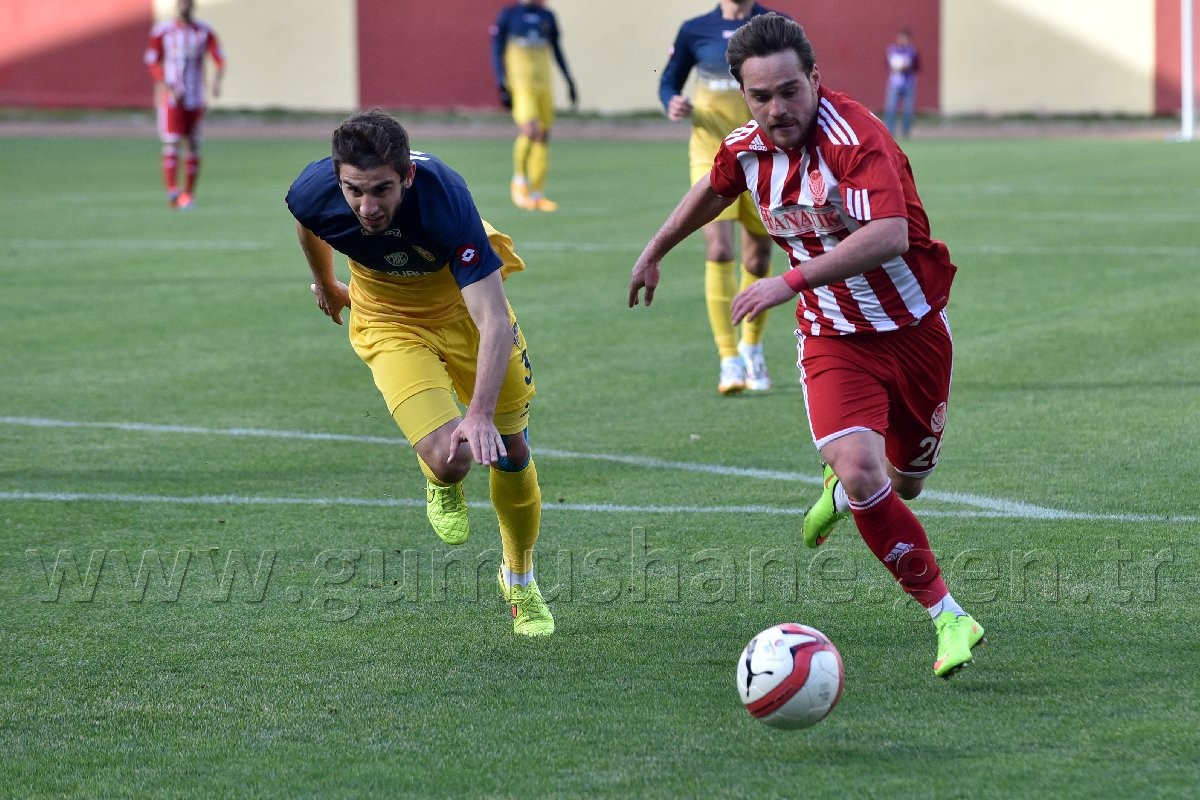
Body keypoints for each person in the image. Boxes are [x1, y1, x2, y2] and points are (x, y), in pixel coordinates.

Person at [629, 14, 985, 678]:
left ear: (815, 79)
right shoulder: (748, 146)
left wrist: (784, 281)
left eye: (789, 91)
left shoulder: (857, 138)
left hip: (913, 333)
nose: (777, 108)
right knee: (862, 468)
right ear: (743, 93)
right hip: (831, 336)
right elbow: (713, 187)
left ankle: (848, 490)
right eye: (760, 96)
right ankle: (949, 616)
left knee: (906, 482)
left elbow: (888, 235)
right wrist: (654, 251)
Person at [285, 110, 553, 637]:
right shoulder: (315, 191)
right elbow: (308, 223)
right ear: (337, 177)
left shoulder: (446, 203)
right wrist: (328, 283)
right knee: (452, 461)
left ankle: (519, 582)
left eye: (381, 189)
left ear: (406, 176)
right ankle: (440, 483)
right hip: (388, 321)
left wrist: (477, 413)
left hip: (464, 314)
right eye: (354, 190)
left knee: (510, 447)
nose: (367, 206)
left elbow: (493, 319)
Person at [658, 1, 780, 395]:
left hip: (763, 153)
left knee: (757, 256)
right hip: (711, 153)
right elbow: (669, 81)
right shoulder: (695, 29)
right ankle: (728, 358)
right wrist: (671, 102)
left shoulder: (775, 25)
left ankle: (752, 346)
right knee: (719, 249)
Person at [490, 0, 577, 212]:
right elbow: (496, 50)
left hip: (543, 85)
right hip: (521, 85)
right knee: (529, 130)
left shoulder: (547, 16)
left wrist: (569, 80)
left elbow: (557, 49)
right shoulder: (508, 16)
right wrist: (501, 82)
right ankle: (519, 182)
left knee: (543, 135)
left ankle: (537, 194)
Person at [144, 0, 225, 209]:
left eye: (188, 3)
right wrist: (167, 85)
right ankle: (172, 191)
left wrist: (216, 81)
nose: (184, 6)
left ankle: (188, 194)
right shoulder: (163, 31)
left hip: (195, 97)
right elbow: (152, 60)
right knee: (172, 142)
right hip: (172, 99)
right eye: (181, 3)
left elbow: (219, 57)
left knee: (193, 144)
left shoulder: (204, 31)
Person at [884, 29, 918, 138]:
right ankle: (890, 130)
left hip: (908, 83)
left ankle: (906, 131)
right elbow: (889, 63)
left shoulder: (912, 51)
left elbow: (915, 66)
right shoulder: (892, 50)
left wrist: (905, 66)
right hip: (894, 83)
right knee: (891, 107)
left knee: (908, 109)